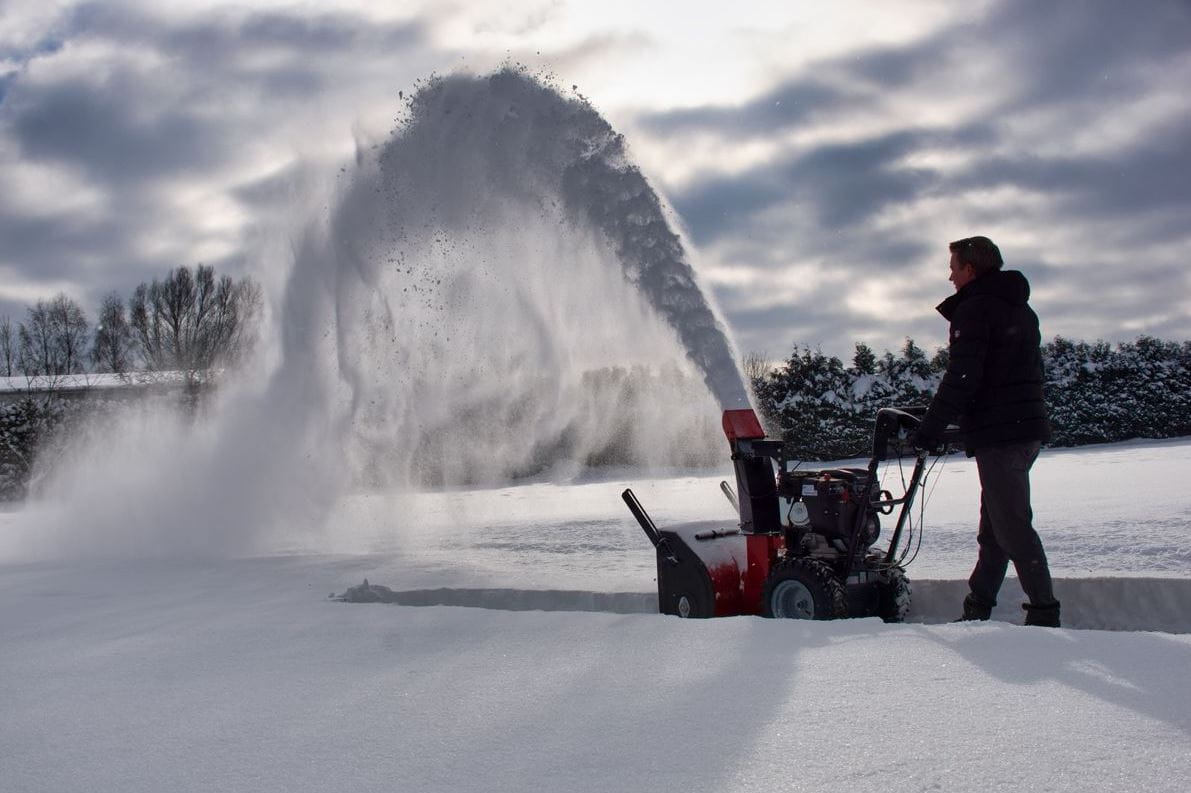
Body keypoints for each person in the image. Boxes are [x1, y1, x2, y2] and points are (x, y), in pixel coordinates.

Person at [912, 236, 1061, 627]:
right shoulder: (1020, 309)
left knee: (1011, 528)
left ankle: (1045, 613)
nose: (950, 277)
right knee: (995, 527)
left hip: (1003, 434)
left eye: (954, 268)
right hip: (1023, 430)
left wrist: (930, 427)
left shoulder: (976, 309)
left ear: (971, 270)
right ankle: (977, 609)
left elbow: (963, 375)